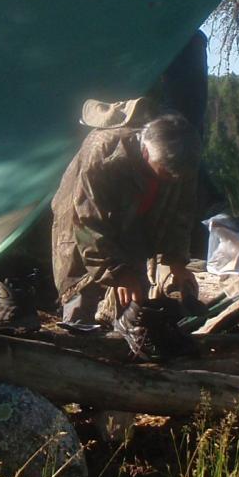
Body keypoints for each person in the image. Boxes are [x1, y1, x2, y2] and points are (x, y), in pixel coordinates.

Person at [50, 110, 202, 332]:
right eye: (165, 174)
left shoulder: (181, 162)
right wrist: (119, 273)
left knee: (135, 305)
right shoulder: (105, 152)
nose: (172, 180)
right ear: (146, 153)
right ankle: (76, 338)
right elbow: (88, 222)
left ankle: (127, 339)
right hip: (80, 226)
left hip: (134, 225)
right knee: (81, 298)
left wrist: (177, 261)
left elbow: (181, 212)